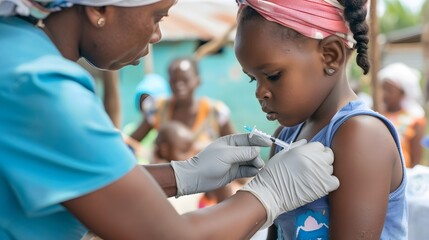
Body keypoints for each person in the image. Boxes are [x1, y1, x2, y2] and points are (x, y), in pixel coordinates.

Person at [0, 1, 339, 239]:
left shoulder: (16, 49)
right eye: (157, 16)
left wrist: (182, 175)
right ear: (99, 9)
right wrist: (269, 194)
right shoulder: (37, 84)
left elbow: (85, 184)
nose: (158, 35)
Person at [234, 0, 407, 239]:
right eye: (253, 79)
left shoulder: (361, 136)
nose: (260, 92)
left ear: (330, 56)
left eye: (273, 76)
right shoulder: (283, 137)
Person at [130, 56, 239, 205]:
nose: (179, 85)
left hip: (207, 193)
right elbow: (132, 141)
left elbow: (236, 152)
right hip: (166, 190)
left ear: (197, 81)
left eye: (185, 80)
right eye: (174, 81)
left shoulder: (215, 112)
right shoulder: (158, 109)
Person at [378, 62, 426, 168]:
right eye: (383, 88)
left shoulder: (414, 119)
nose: (384, 94)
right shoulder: (376, 115)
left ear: (402, 92)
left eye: (389, 90)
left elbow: (416, 159)